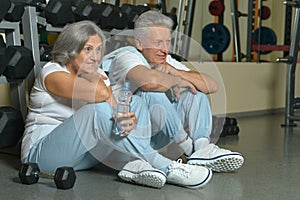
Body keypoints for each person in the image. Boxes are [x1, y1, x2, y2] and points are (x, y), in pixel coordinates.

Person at [20, 20, 213, 189]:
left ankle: (136, 165)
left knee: (135, 102)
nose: (95, 57)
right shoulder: (51, 72)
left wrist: (127, 120)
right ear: (71, 50)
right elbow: (100, 96)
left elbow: (115, 114)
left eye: (98, 50)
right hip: (41, 157)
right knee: (97, 110)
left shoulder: (99, 77)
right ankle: (164, 166)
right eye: (88, 49)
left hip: (85, 156)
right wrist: (96, 76)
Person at [102, 11, 244, 173]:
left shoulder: (165, 60)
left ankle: (202, 147)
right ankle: (190, 150)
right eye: (158, 42)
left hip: (157, 135)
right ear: (140, 44)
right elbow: (149, 83)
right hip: (129, 136)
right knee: (151, 93)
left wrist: (175, 71)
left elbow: (212, 85)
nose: (164, 49)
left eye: (168, 42)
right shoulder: (127, 56)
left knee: (195, 93)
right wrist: (177, 81)